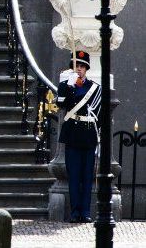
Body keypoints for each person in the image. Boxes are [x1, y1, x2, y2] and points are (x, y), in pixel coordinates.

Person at [57, 50, 101, 223]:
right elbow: (61, 104)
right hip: (73, 136)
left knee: (87, 177)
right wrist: (68, 86)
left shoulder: (94, 88)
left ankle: (86, 212)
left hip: (88, 135)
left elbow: (100, 113)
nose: (79, 69)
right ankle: (75, 213)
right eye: (76, 66)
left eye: (82, 66)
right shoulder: (66, 85)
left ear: (87, 69)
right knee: (74, 176)